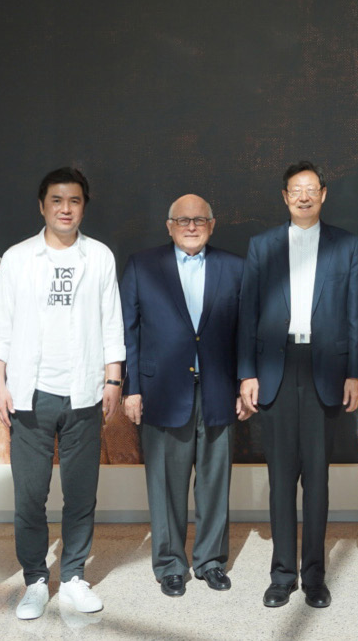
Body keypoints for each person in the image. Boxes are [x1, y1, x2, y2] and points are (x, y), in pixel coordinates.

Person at [0, 167, 125, 619]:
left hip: (83, 391)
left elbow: (111, 321)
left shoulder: (98, 256)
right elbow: (1, 327)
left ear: (84, 206)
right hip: (30, 394)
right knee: (30, 495)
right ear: (42, 206)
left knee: (81, 493)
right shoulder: (18, 258)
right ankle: (34, 580)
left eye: (75, 201)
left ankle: (74, 577)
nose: (66, 209)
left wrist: (112, 379)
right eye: (57, 201)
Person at [236, 161, 358, 609]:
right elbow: (248, 314)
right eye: (296, 190)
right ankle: (281, 576)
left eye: (311, 189)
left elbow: (356, 315)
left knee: (317, 478)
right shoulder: (262, 246)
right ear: (285, 197)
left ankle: (314, 576)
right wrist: (246, 373)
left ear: (324, 194)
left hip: (325, 370)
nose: (304, 196)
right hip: (275, 367)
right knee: (279, 479)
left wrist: (355, 373)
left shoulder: (346, 244)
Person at [120, 194, 249, 597]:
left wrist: (245, 382)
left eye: (199, 220)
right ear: (169, 226)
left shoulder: (235, 268)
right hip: (160, 391)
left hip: (219, 391)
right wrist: (131, 389)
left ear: (212, 224)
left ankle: (211, 561)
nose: (191, 226)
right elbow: (128, 333)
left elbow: (246, 333)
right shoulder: (142, 266)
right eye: (182, 220)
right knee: (165, 485)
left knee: (214, 483)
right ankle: (170, 564)